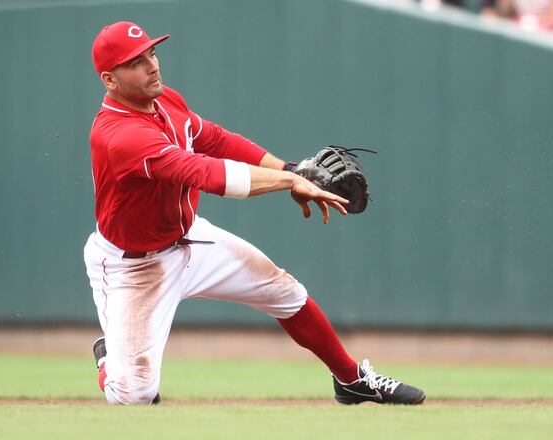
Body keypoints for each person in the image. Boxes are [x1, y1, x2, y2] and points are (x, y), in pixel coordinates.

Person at [84, 21, 426, 406]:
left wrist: (290, 171)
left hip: (188, 238)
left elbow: (215, 140)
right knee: (134, 395)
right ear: (110, 80)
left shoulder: (166, 102)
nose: (152, 65)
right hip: (135, 266)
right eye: (136, 62)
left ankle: (351, 381)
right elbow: (207, 174)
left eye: (151, 53)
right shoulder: (120, 135)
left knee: (285, 291)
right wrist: (288, 183)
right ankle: (110, 359)